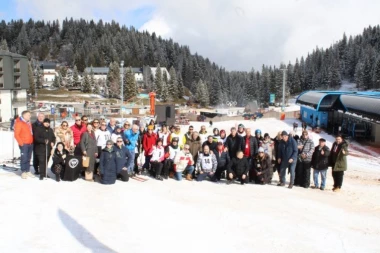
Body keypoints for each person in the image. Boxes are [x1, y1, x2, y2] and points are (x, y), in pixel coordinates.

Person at [14, 111, 34, 179]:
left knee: (28, 158)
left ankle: (28, 170)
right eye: (28, 115)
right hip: (24, 144)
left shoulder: (29, 123)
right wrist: (21, 143)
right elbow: (16, 135)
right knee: (24, 158)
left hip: (30, 143)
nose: (30, 116)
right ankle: (23, 171)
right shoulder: (19, 123)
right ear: (24, 115)